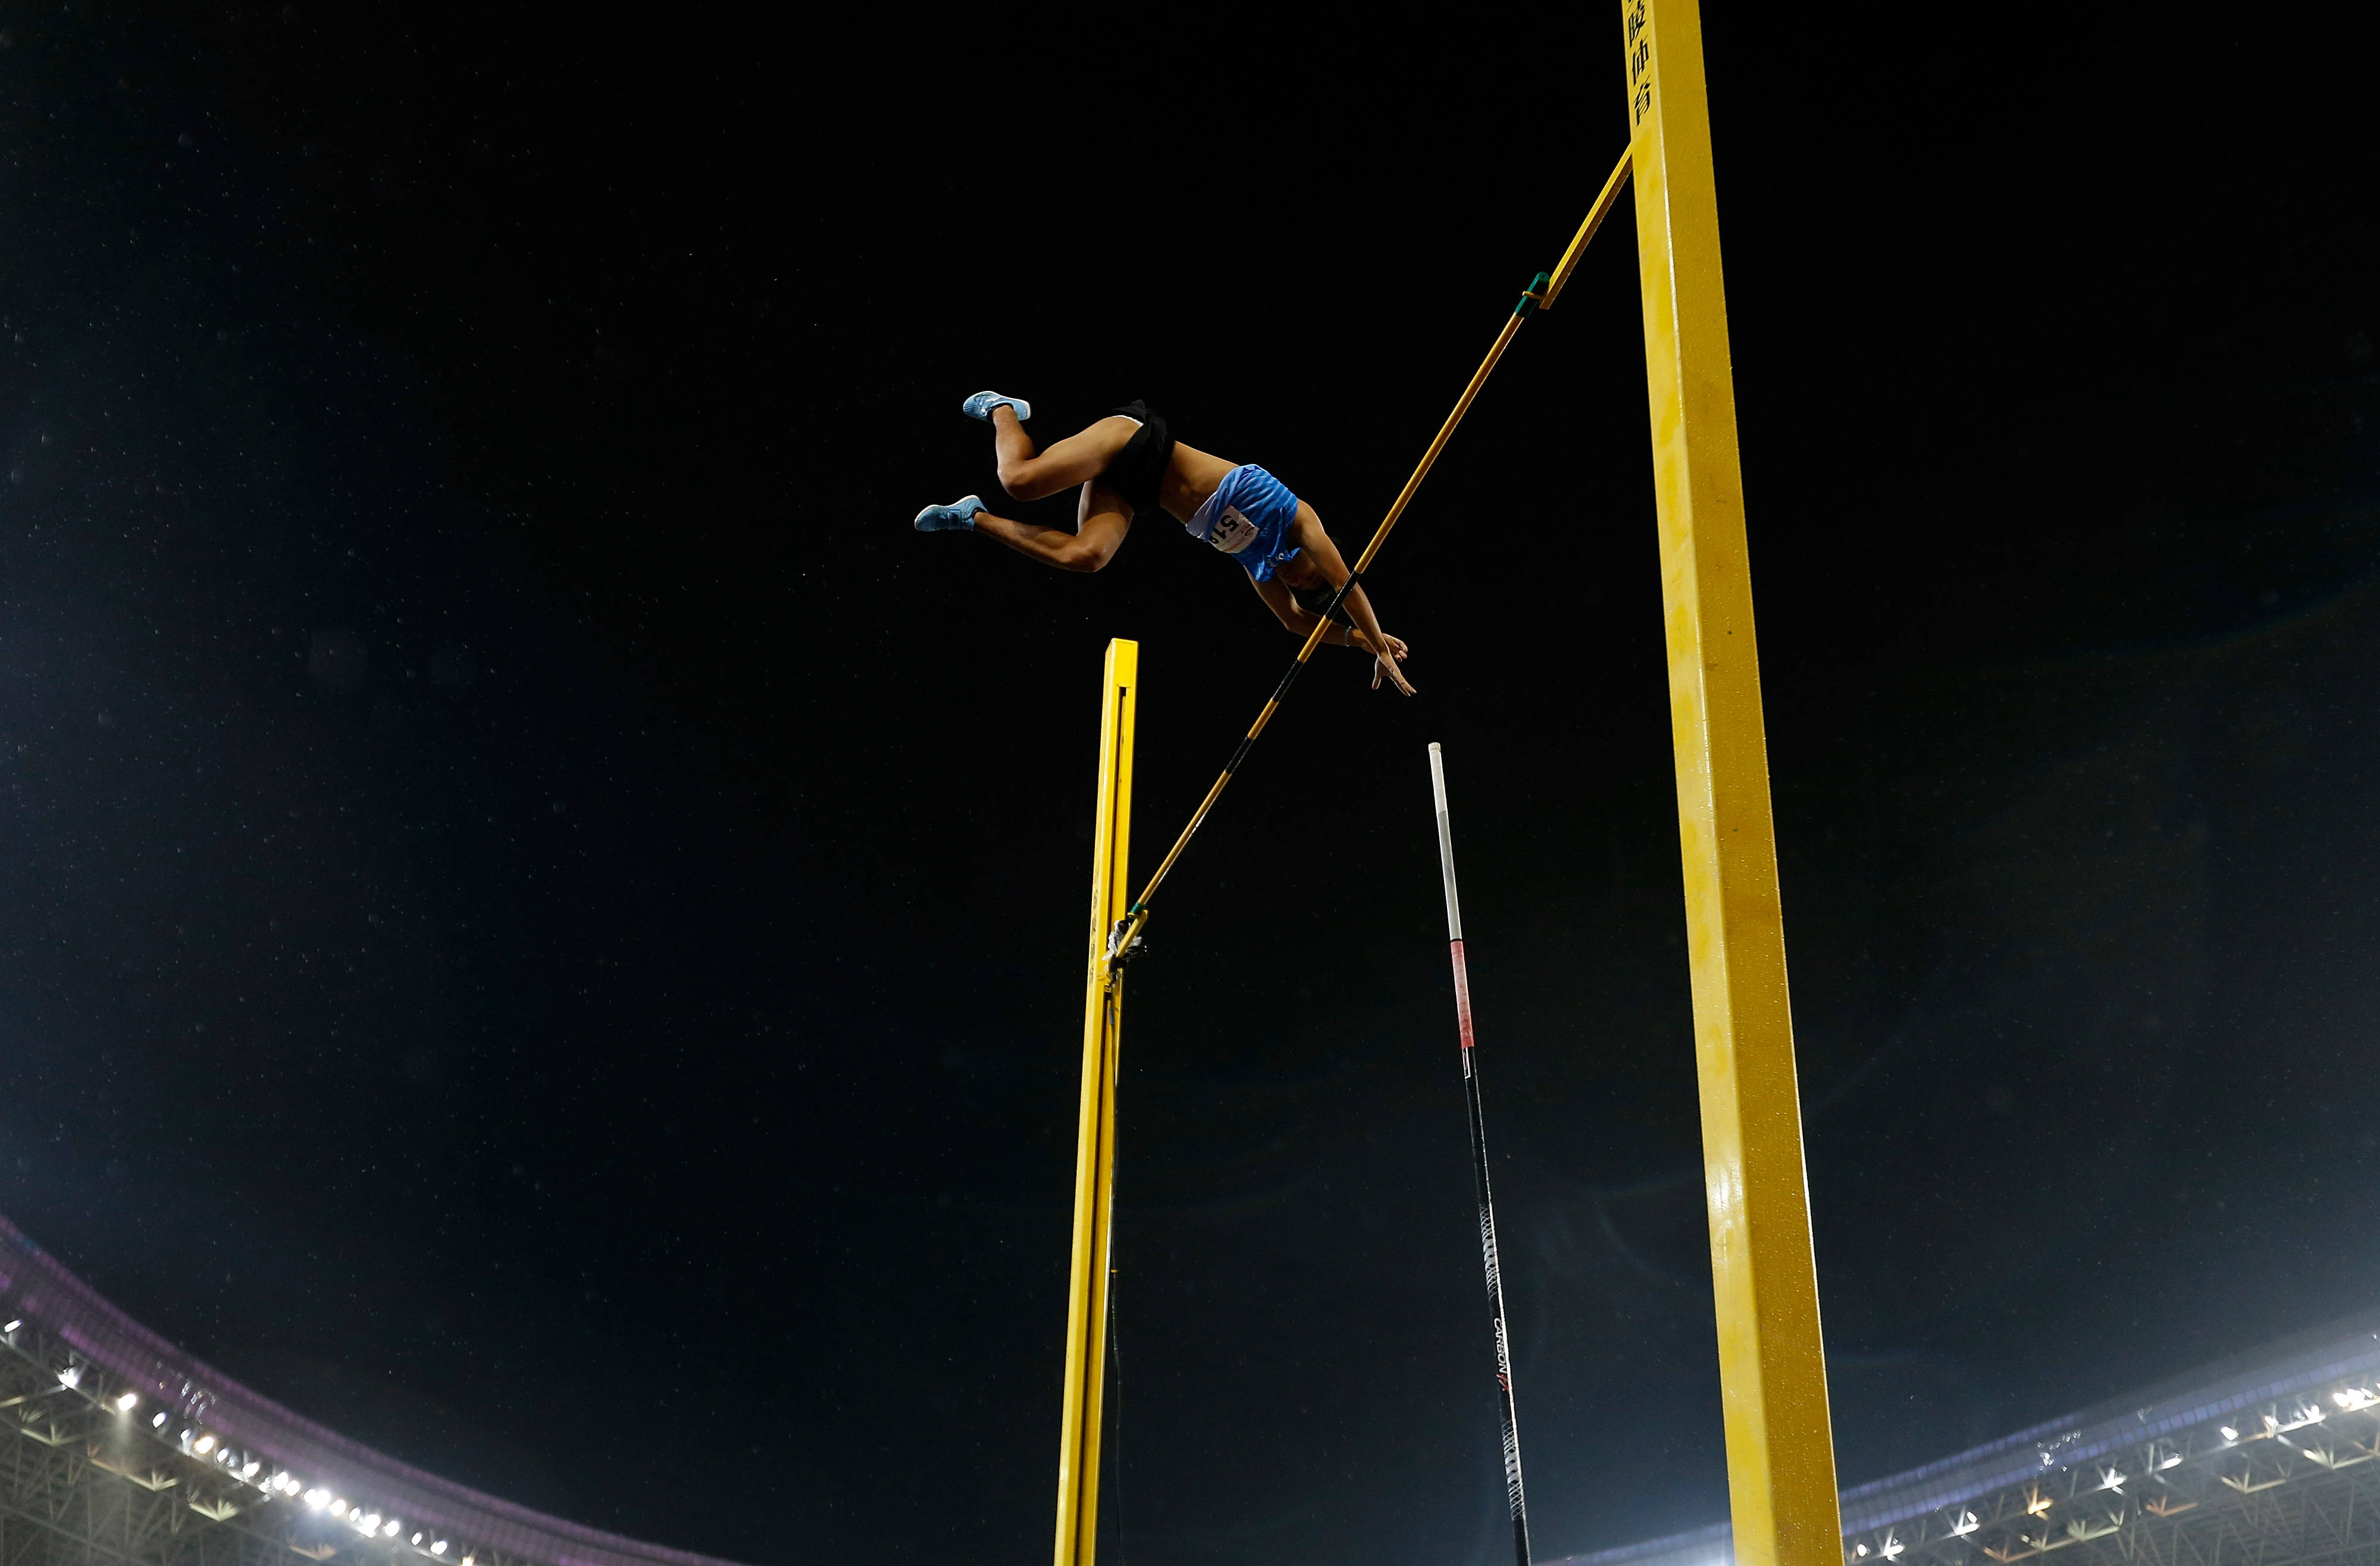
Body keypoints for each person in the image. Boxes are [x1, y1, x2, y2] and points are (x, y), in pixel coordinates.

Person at [914, 392, 1416, 694]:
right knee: (1020, 481)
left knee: (1087, 556)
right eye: (1305, 574)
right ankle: (1004, 408)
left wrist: (1353, 644)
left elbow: (1293, 623)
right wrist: (1378, 641)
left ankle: (971, 516)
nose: (1292, 577)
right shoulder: (1300, 519)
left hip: (1138, 489)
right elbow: (1347, 585)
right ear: (1312, 558)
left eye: (1296, 584)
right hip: (1136, 441)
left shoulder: (1258, 564)